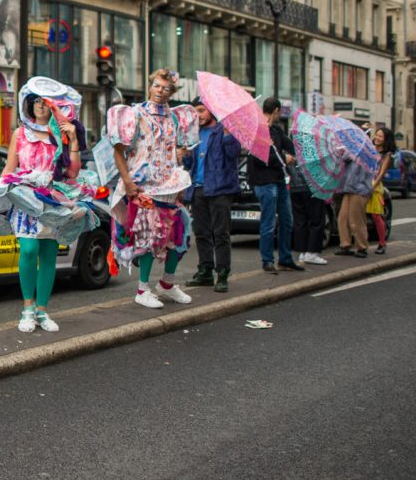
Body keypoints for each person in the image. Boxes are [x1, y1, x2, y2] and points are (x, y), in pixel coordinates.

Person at [0, 78, 98, 333]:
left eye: (45, 103)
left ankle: (42, 310)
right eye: (36, 101)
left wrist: (74, 142)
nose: (40, 106)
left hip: (54, 198)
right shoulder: (20, 133)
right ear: (29, 103)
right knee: (28, 249)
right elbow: (9, 168)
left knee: (48, 254)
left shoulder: (61, 135)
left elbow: (72, 172)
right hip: (25, 198)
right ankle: (27, 307)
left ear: (53, 107)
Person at [107, 69, 198, 308]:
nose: (160, 91)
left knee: (180, 236)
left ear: (172, 92)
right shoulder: (136, 114)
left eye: (166, 88)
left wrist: (180, 160)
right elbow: (119, 150)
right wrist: (127, 182)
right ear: (150, 86)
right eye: (157, 86)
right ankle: (142, 289)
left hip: (169, 185)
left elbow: (176, 151)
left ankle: (167, 284)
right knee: (149, 237)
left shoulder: (176, 118)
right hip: (143, 185)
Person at [183, 100, 242, 293]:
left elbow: (234, 154)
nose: (198, 115)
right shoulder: (194, 133)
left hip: (220, 189)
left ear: (212, 111)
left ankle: (222, 274)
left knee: (220, 233)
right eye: (195, 112)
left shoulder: (224, 129)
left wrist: (227, 134)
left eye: (201, 110)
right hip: (198, 189)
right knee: (201, 233)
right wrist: (183, 154)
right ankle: (205, 271)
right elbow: (189, 162)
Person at [246, 98, 303, 273]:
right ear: (277, 111)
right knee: (268, 222)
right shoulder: (257, 130)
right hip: (263, 181)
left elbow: (290, 146)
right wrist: (282, 158)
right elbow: (259, 158)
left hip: (278, 180)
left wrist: (298, 148)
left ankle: (285, 259)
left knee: (287, 220)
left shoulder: (276, 130)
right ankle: (267, 260)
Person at [289, 155, 329, 267]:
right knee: (316, 219)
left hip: (295, 186)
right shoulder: (313, 145)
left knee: (300, 220)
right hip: (312, 185)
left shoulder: (291, 142)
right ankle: (312, 252)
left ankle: (302, 251)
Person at [369, 127, 396, 254]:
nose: (377, 138)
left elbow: (381, 173)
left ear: (386, 139)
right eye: (376, 135)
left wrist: (374, 185)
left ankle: (382, 243)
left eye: (381, 136)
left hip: (375, 186)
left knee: (376, 215)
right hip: (363, 182)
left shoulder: (387, 154)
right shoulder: (369, 148)